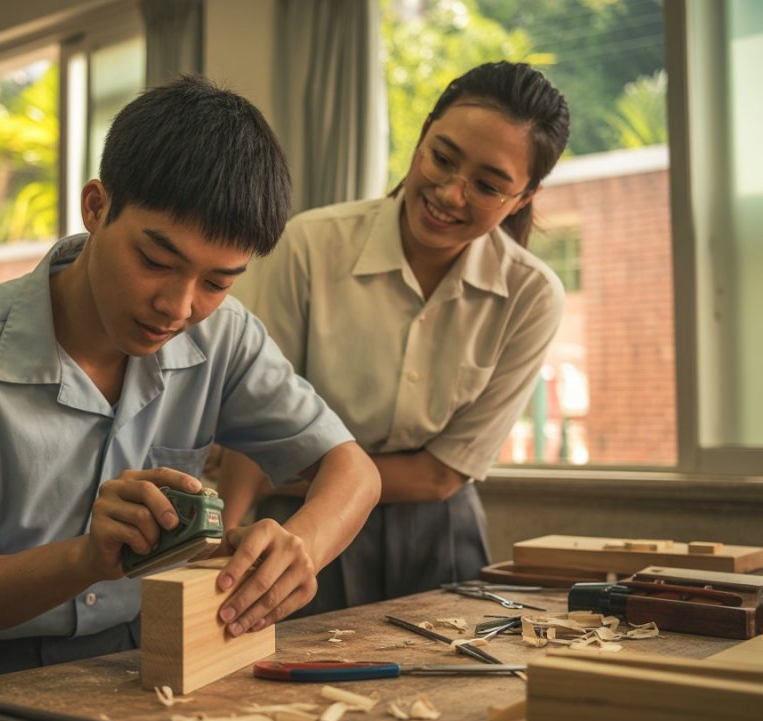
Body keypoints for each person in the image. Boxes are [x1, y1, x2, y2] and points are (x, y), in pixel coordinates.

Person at [0, 75, 381, 687]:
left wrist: (300, 548)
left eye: (217, 282)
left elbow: (353, 470)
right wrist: (86, 558)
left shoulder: (223, 338)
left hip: (133, 655)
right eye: (155, 262)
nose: (178, 307)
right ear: (95, 207)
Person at [218, 61, 570, 614]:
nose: (450, 194)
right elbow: (254, 419)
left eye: (487, 186)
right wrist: (220, 535)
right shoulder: (311, 245)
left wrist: (296, 474)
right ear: (424, 133)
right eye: (442, 158)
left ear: (524, 197)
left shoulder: (531, 296)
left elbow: (440, 475)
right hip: (302, 526)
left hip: (439, 534)